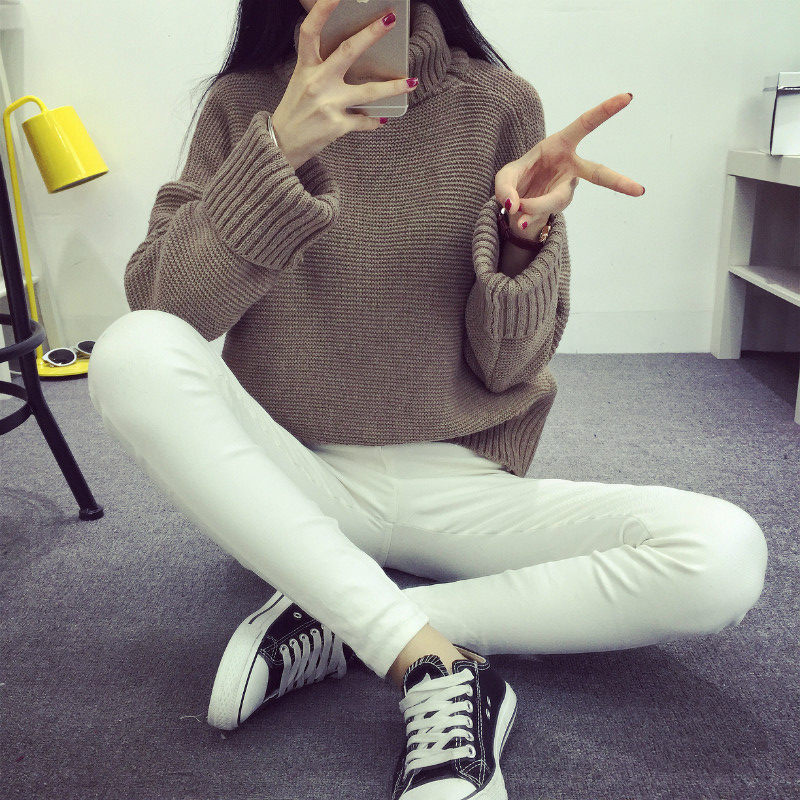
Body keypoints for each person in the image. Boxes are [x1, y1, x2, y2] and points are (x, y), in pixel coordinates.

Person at [87, 1, 769, 798]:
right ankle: (423, 657)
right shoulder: (242, 104)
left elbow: (510, 367)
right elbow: (164, 309)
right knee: (130, 352)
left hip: (464, 490)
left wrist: (519, 240)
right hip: (293, 484)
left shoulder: (499, 104)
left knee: (722, 554)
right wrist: (278, 151)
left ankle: (341, 615)